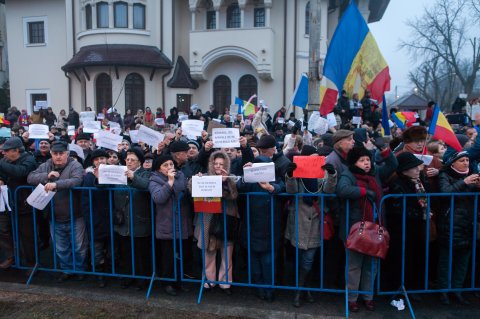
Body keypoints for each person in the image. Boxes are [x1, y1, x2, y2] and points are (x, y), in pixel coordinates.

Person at [337, 145, 397, 312]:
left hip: (375, 227)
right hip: (355, 229)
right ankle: (352, 298)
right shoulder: (348, 174)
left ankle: (368, 297)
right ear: (354, 162)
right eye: (362, 160)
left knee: (371, 266)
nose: (366, 163)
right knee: (354, 266)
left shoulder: (375, 173)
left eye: (368, 160)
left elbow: (393, 165)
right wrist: (363, 191)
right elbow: (342, 189)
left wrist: (385, 149)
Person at [284, 145, 337, 307]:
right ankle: (304, 289)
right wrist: (290, 175)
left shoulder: (323, 173)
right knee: (299, 260)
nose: (315, 160)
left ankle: (299, 292)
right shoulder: (298, 174)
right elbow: (291, 191)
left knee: (308, 261)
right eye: (311, 158)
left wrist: (332, 174)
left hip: (315, 223)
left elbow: (328, 191)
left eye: (317, 157)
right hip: (298, 221)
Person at [27, 141, 86, 281]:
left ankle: (80, 269)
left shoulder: (75, 165)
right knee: (61, 247)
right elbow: (30, 177)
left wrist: (56, 184)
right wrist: (47, 176)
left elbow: (76, 180)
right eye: (55, 154)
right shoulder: (47, 164)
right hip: (54, 215)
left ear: (67, 153)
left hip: (75, 214)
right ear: (51, 154)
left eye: (61, 153)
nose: (58, 157)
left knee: (79, 246)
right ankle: (67, 270)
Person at [237, 155, 285, 302]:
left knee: (268, 263)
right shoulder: (250, 181)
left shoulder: (275, 180)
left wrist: (271, 188)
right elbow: (239, 186)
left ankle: (269, 290)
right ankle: (259, 289)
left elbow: (283, 188)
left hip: (270, 229)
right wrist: (246, 174)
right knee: (255, 264)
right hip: (252, 228)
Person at [190, 151, 239, 294]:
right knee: (208, 252)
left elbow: (235, 195)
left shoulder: (231, 178)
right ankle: (209, 282)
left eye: (221, 164)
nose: (218, 166)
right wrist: (195, 180)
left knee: (226, 252)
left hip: (227, 219)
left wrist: (226, 181)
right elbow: (191, 189)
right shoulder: (204, 177)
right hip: (208, 219)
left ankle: (225, 283)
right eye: (216, 163)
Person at [384, 152, 431, 295]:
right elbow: (398, 209)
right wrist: (420, 214)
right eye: (414, 167)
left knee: (415, 257)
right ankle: (398, 287)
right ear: (404, 170)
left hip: (416, 228)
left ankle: (412, 287)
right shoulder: (397, 185)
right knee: (402, 259)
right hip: (401, 229)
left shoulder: (419, 182)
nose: (418, 170)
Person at [437, 151, 480, 305]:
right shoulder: (445, 174)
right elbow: (445, 192)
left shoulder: (474, 175)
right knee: (446, 261)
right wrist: (465, 182)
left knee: (463, 262)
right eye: (462, 160)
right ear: (453, 163)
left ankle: (457, 290)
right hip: (450, 224)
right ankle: (443, 291)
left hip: (469, 224)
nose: (466, 163)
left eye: (468, 160)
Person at [149, 155, 190, 296]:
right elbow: (159, 198)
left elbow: (184, 192)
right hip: (166, 222)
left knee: (181, 254)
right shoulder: (154, 180)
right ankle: (167, 282)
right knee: (168, 255)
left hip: (181, 221)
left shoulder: (180, 176)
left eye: (171, 164)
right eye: (165, 165)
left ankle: (179, 281)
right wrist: (169, 182)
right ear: (159, 168)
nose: (169, 167)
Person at [113, 148, 152, 290]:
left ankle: (143, 279)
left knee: (141, 252)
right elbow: (105, 185)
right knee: (126, 251)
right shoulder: (119, 173)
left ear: (139, 162)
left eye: (132, 160)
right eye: (127, 159)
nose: (129, 162)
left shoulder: (146, 173)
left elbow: (146, 185)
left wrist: (133, 177)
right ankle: (129, 276)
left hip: (139, 220)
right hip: (123, 220)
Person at [0, 137, 38, 271]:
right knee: (4, 230)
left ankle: (32, 264)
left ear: (17, 150)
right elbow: (4, 174)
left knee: (27, 236)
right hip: (8, 203)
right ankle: (12, 256)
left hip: (25, 204)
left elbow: (20, 173)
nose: (3, 153)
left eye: (6, 150)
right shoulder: (5, 161)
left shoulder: (29, 159)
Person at [81, 148, 111, 287]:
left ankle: (111, 271)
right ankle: (99, 274)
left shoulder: (113, 173)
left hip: (112, 217)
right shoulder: (88, 176)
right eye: (97, 159)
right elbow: (87, 199)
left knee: (111, 248)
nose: (100, 161)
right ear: (93, 162)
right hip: (95, 218)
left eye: (103, 159)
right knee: (97, 248)